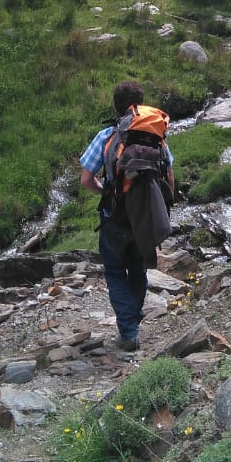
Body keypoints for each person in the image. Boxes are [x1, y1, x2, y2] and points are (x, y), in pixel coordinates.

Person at [79, 79, 174, 353]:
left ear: (116, 105)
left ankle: (129, 331)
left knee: (115, 272)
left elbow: (86, 179)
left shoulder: (107, 136)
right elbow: (168, 177)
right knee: (138, 269)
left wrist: (105, 192)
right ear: (140, 105)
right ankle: (132, 318)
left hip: (115, 217)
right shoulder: (157, 136)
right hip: (145, 218)